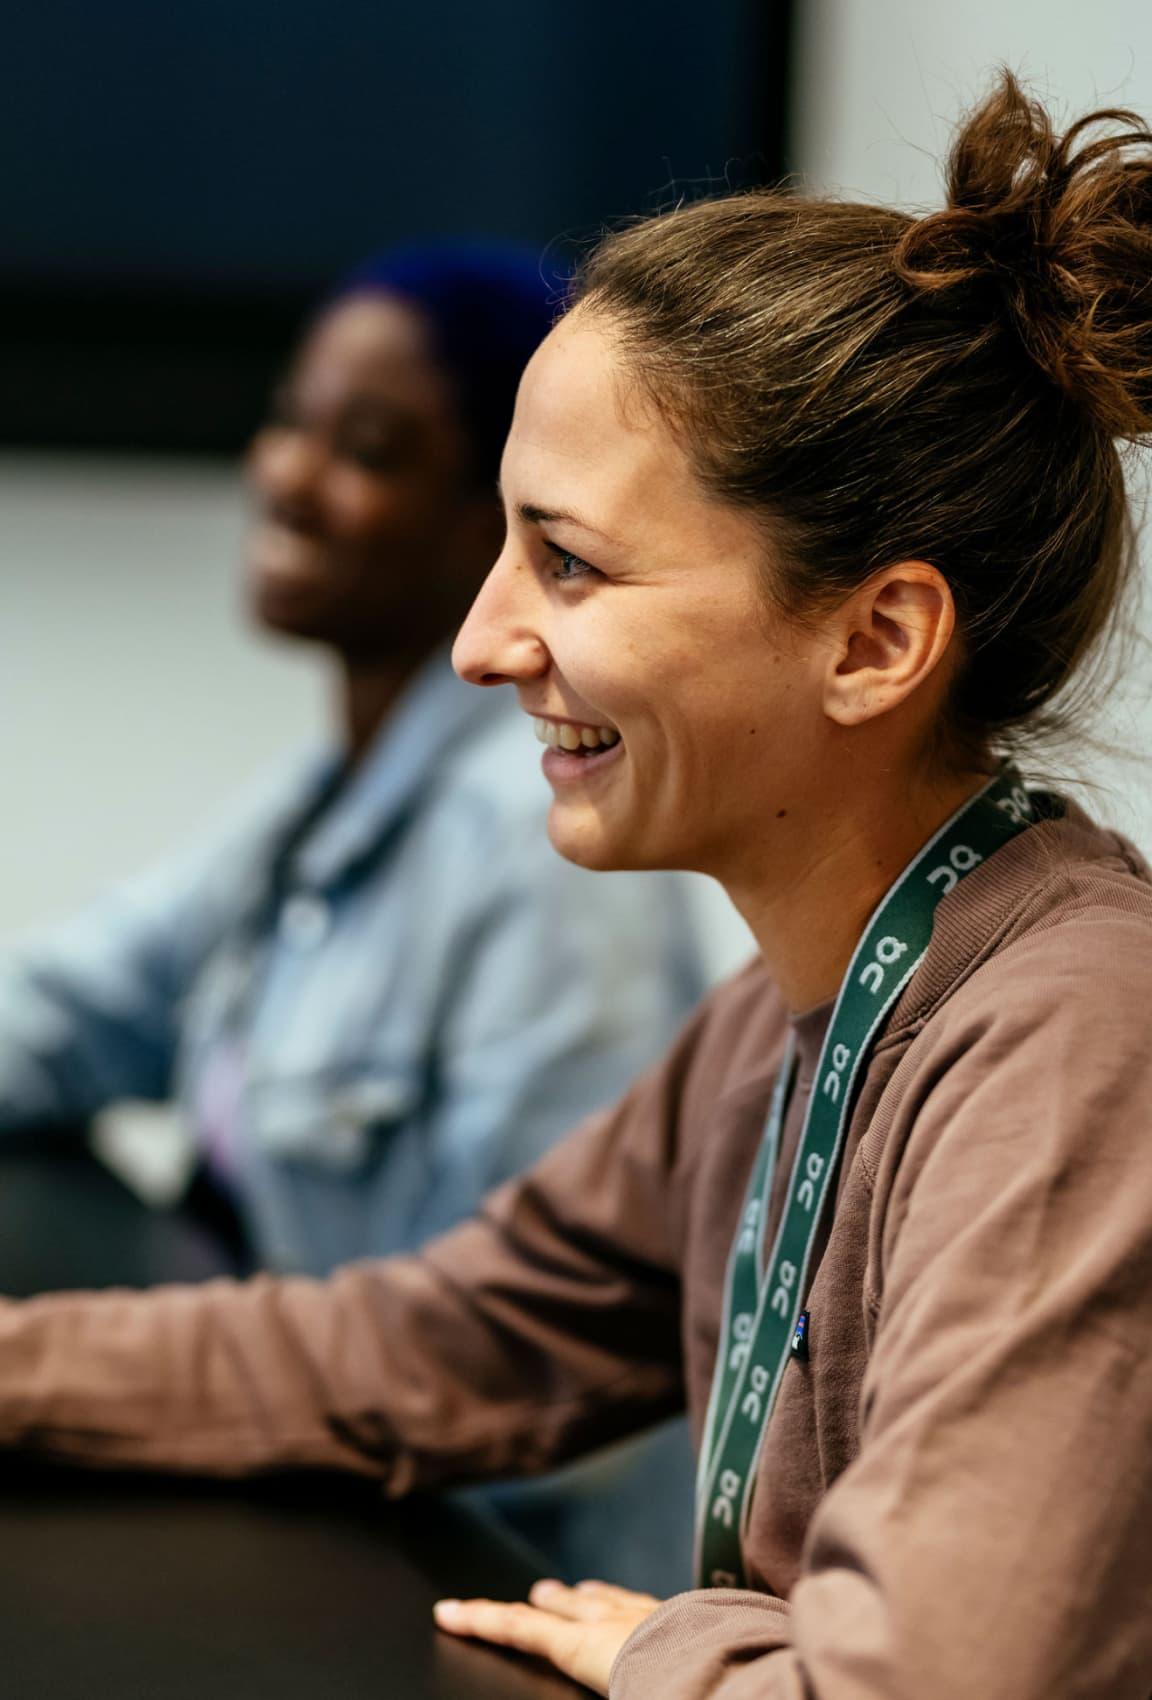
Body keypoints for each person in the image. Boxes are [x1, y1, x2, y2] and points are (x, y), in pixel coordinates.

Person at [2, 72, 1152, 1698]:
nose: (480, 645)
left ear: (875, 641)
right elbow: (420, 1350)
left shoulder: (1079, 1041)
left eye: (571, 562)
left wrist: (682, 1643)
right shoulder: (783, 1020)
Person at [0, 244, 708, 1590]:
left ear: (491, 514)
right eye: (290, 422)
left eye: (368, 449)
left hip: (463, 1573)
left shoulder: (533, 844)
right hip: (311, 1479)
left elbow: (515, 1372)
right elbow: (67, 1012)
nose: (287, 474)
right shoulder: (321, 801)